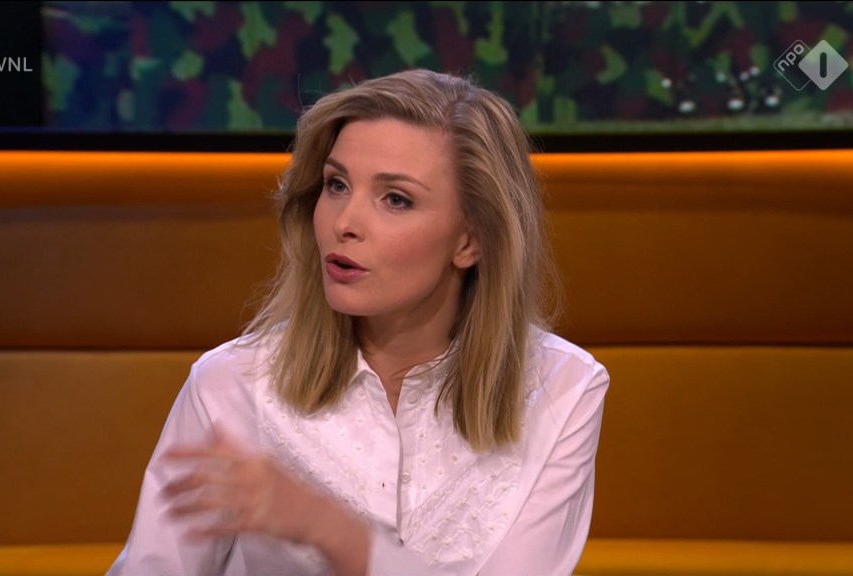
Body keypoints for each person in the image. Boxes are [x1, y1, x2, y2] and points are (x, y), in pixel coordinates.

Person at [107, 68, 609, 576]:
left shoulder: (563, 389)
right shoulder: (229, 383)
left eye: (396, 199)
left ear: (470, 240)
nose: (344, 223)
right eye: (337, 185)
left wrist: (331, 530)